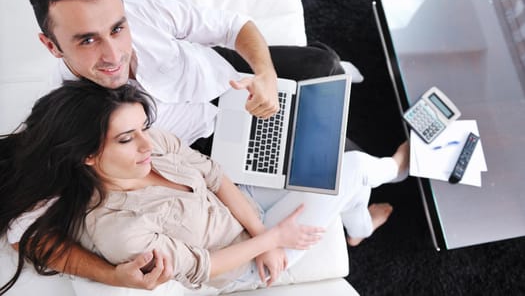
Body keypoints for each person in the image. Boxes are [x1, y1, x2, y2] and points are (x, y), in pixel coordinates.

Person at [5, 0, 356, 289]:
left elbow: (234, 25)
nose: (113, 55)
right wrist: (113, 276)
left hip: (225, 76)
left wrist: (264, 75)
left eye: (117, 29)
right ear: (51, 46)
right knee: (332, 156)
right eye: (87, 40)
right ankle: (360, 209)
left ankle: (354, 180)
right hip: (208, 146)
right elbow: (23, 232)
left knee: (325, 67)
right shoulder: (67, 113)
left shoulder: (139, 8)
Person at [0, 80, 408, 294]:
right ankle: (396, 168)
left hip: (247, 209)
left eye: (142, 127)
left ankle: (359, 227)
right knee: (352, 168)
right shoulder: (120, 229)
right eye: (127, 139)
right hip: (242, 263)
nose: (148, 143)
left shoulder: (150, 143)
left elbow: (213, 175)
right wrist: (273, 240)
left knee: (326, 161)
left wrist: (267, 234)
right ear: (87, 155)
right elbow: (202, 268)